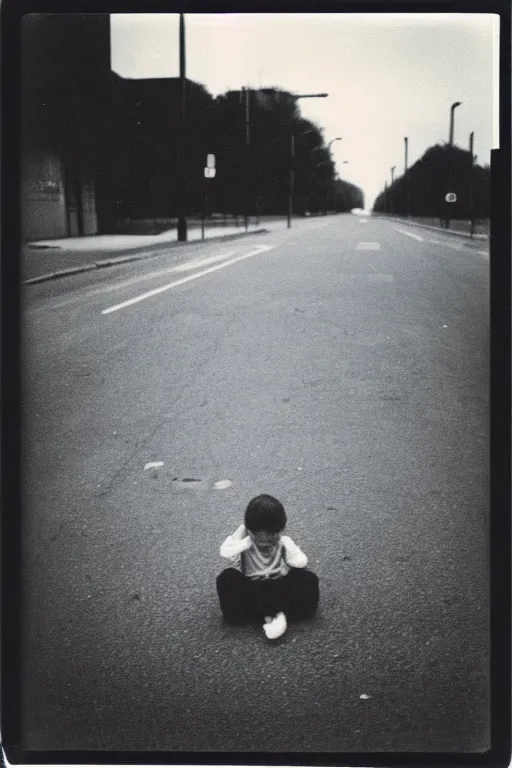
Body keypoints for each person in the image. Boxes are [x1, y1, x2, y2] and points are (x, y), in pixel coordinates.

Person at [216, 494, 319, 639]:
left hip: (279, 586)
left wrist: (289, 550)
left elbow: (301, 561)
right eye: (260, 538)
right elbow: (226, 551)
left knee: (308, 579)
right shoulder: (245, 542)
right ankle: (275, 613)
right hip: (253, 589)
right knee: (226, 579)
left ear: (281, 531)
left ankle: (268, 613)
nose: (267, 543)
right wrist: (242, 538)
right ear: (250, 531)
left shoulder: (284, 541)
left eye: (273, 537)